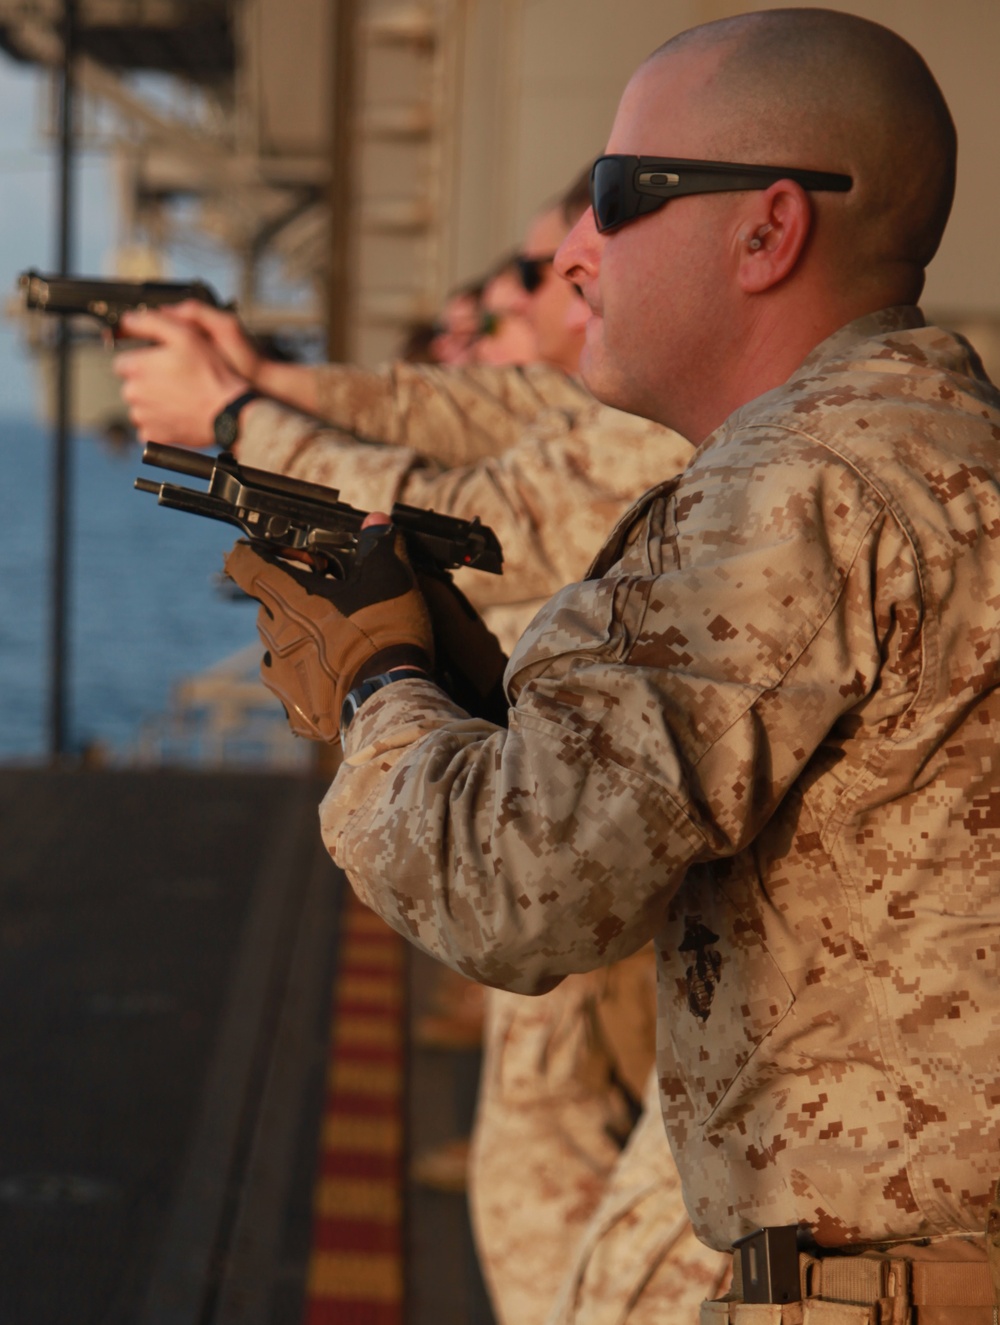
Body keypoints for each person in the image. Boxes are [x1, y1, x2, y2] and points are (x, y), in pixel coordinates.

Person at [220, 8, 1000, 1321]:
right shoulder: (936, 444)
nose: (581, 247)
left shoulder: (795, 491)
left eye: (617, 194)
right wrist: (489, 692)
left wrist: (378, 678)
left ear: (769, 229)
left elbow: (514, 887)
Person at [114, 181, 726, 1321]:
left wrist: (380, 670)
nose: (565, 277)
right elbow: (450, 424)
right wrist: (260, 392)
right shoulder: (743, 436)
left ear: (764, 231)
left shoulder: (762, 472)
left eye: (607, 226)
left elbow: (475, 516)